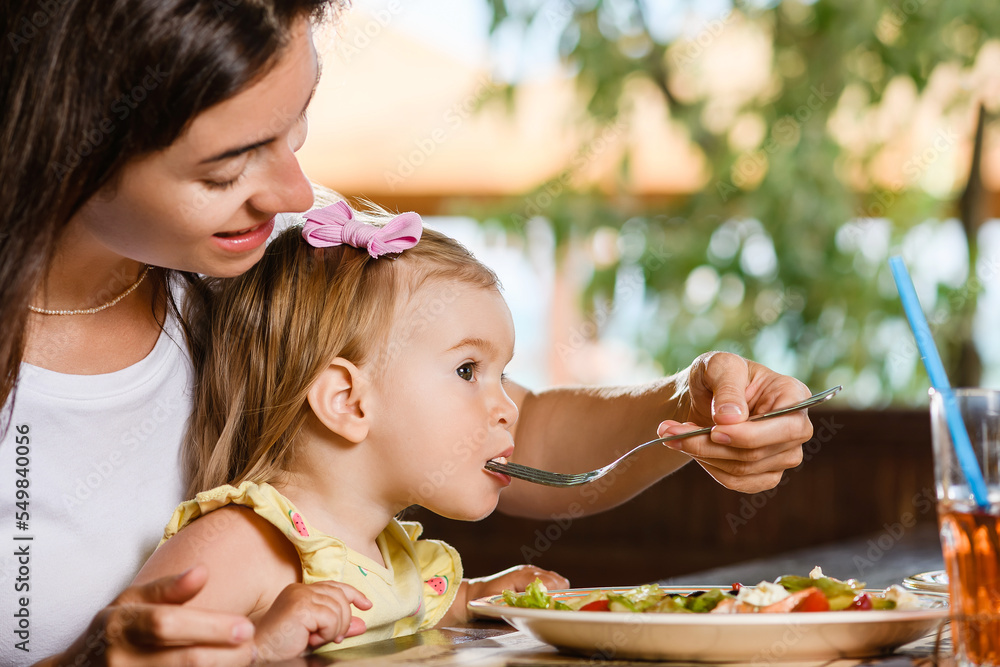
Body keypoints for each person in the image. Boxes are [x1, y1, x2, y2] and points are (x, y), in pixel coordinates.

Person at [0, 1, 812, 665]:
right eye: (227, 168)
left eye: (297, 129)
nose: (294, 192)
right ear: (69, 142)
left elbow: (511, 432)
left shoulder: (245, 270)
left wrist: (689, 404)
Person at [133, 202, 570, 661]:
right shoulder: (239, 544)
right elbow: (132, 655)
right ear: (347, 400)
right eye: (467, 370)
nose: (507, 408)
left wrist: (479, 596)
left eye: (501, 377)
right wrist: (258, 649)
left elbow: (408, 614)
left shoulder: (388, 556)